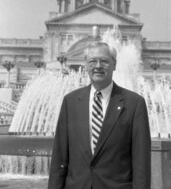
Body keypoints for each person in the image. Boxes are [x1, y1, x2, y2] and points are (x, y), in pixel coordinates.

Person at [48, 42, 151, 189]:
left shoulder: (134, 104)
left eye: (104, 61)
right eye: (92, 61)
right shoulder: (70, 102)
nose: (98, 66)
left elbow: (141, 162)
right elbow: (59, 156)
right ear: (85, 65)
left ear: (114, 65)